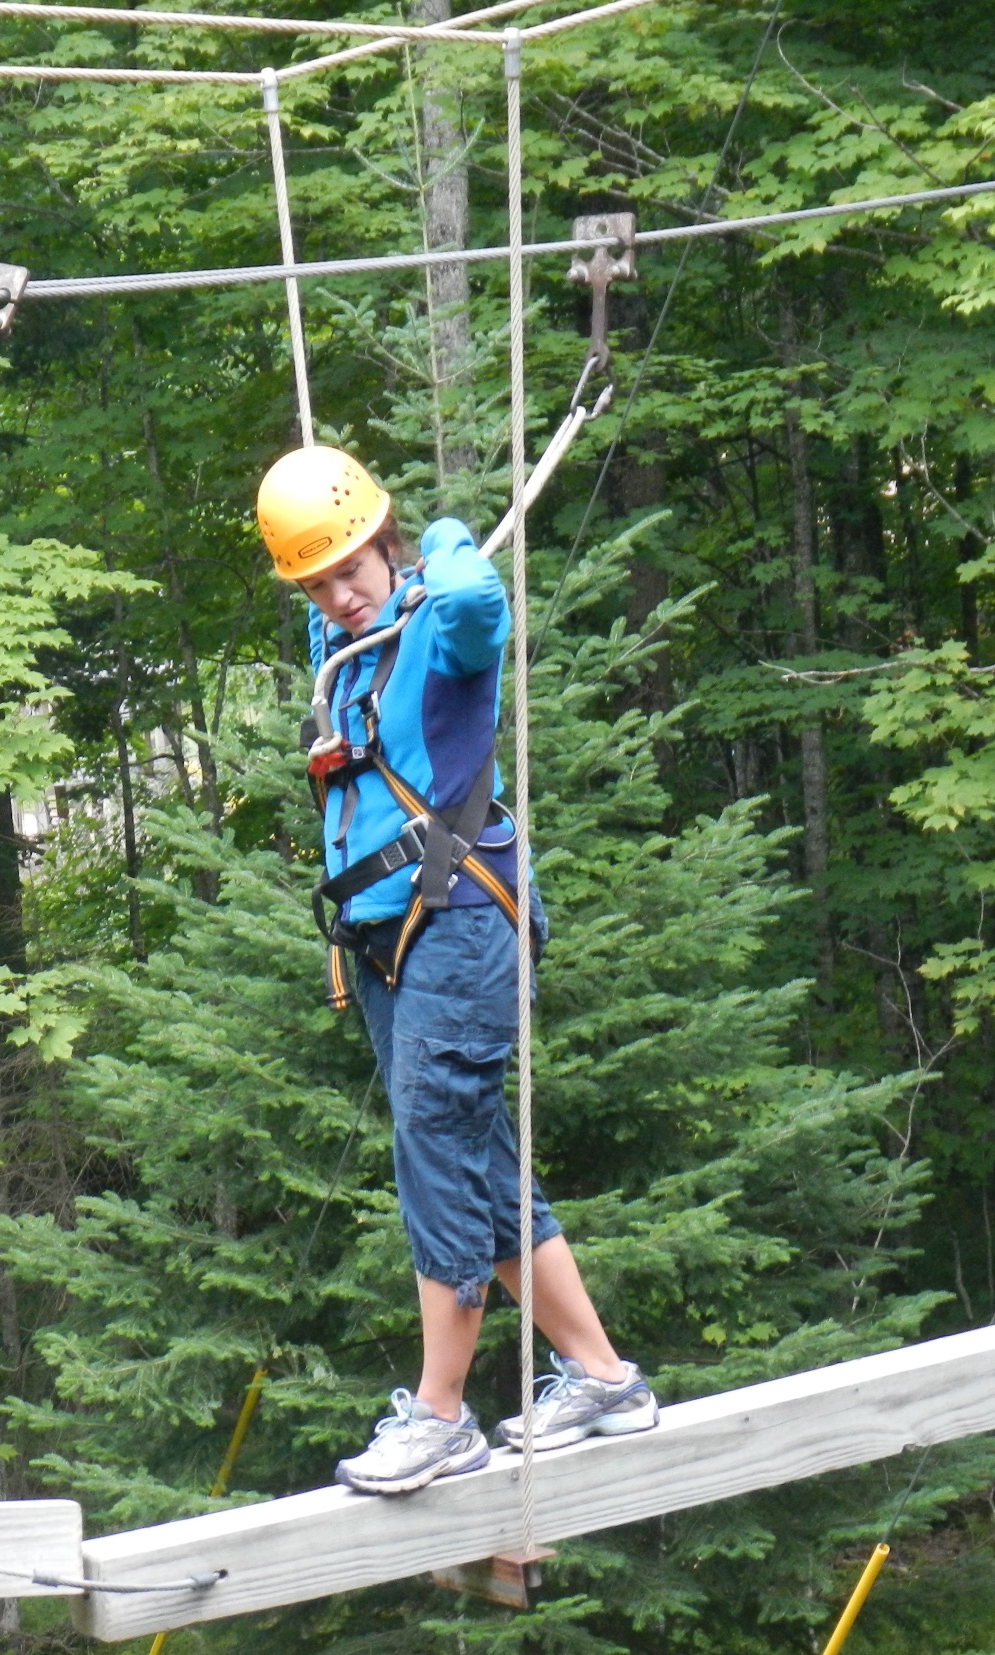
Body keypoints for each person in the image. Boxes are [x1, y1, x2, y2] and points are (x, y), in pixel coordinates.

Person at [254, 445, 657, 1495]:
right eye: (317, 582)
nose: (339, 597)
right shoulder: (349, 643)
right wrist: (340, 562)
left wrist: (437, 540)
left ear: (386, 542)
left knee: (434, 1149)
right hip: (386, 944)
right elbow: (331, 601)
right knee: (478, 1162)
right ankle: (605, 1377)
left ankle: (440, 1415)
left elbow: (478, 593)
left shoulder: (445, 623)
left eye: (353, 569)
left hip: (463, 921)